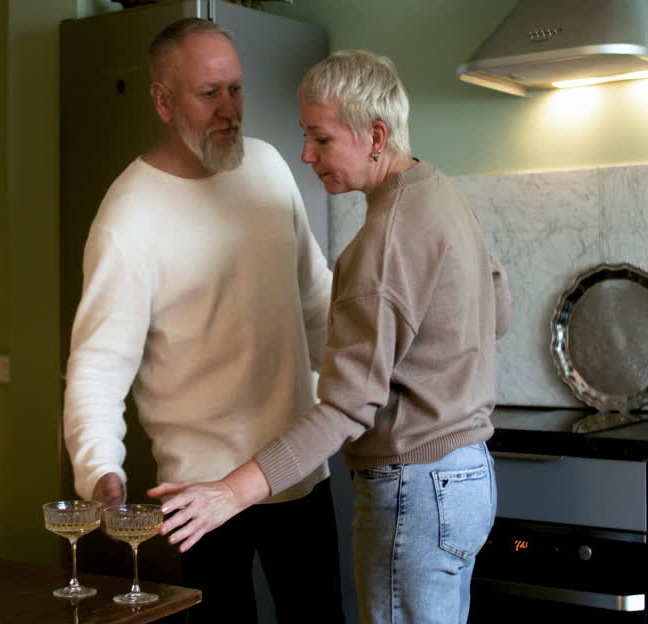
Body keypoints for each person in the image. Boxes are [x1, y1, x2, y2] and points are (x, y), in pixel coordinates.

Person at [152, 49, 512, 624]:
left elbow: (346, 409)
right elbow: (498, 311)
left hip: (416, 491)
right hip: (468, 477)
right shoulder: (440, 194)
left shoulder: (382, 247)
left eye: (320, 139)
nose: (305, 155)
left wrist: (232, 493)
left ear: (374, 135)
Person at [62, 17, 345, 624]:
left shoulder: (270, 169)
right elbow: (97, 368)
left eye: (236, 90)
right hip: (198, 498)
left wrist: (357, 398)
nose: (229, 109)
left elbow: (316, 302)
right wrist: (101, 473)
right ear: (163, 100)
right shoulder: (128, 218)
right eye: (208, 93)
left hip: (297, 473)